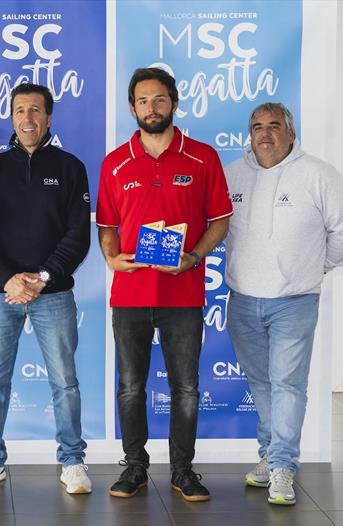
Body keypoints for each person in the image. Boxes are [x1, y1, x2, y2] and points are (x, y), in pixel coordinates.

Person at [96, 67, 233, 502]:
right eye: (142, 100)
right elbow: (107, 225)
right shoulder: (114, 162)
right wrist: (110, 255)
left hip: (183, 294)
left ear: (173, 103)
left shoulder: (202, 157)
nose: (150, 108)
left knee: (186, 388)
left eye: (159, 99)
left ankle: (183, 470)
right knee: (131, 387)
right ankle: (134, 467)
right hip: (131, 294)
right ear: (132, 107)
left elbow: (220, 221)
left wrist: (194, 256)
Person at [224, 102, 343, 505]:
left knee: (287, 384)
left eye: (274, 126)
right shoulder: (232, 175)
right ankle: (270, 454)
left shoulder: (320, 175)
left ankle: (282, 466)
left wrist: (314, 269)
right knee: (261, 384)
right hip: (243, 299)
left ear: (291, 133)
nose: (264, 134)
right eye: (257, 127)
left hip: (295, 301)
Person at [0, 83, 92, 494]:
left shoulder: (72, 167)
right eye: (20, 110)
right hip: (0, 294)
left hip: (52, 294)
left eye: (36, 111)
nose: (28, 119)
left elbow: (78, 236)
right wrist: (8, 278)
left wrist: (42, 277)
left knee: (65, 381)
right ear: (11, 117)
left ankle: (72, 461)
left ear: (49, 117)